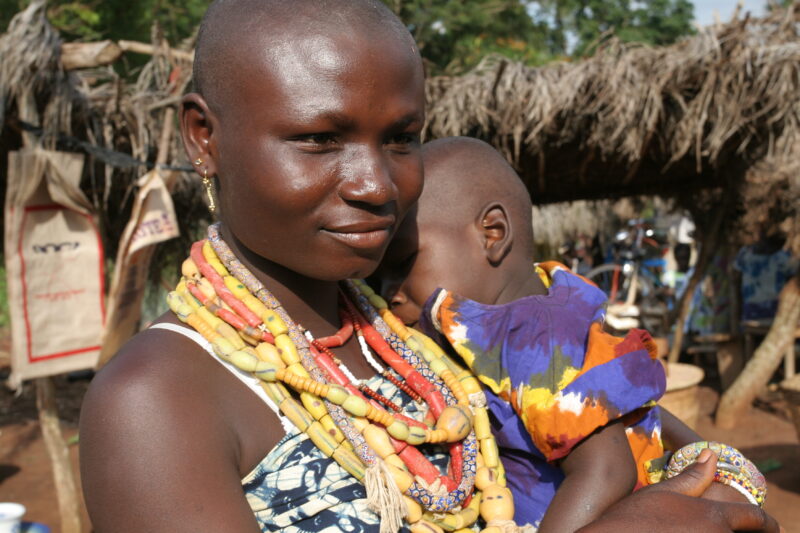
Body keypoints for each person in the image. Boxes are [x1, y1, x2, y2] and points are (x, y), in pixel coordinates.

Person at [78, 2, 780, 532]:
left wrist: (725, 487)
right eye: (320, 139)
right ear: (204, 137)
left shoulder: (419, 332)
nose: (377, 184)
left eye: (402, 139)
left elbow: (658, 440)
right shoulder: (158, 399)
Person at [378, 137, 769, 531]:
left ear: (492, 233)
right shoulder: (550, 308)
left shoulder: (528, 336)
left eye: (403, 261)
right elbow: (632, 410)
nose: (387, 291)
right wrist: (705, 454)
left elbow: (605, 470)